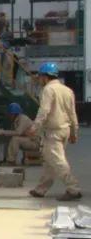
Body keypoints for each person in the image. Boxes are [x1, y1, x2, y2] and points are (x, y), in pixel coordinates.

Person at [28, 62, 81, 200]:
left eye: (40, 77)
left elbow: (44, 111)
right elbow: (72, 113)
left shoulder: (48, 90)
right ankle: (41, 190)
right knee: (49, 161)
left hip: (53, 132)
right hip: (65, 130)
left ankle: (73, 189)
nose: (39, 80)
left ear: (45, 77)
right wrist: (74, 132)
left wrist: (34, 127)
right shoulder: (67, 90)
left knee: (58, 161)